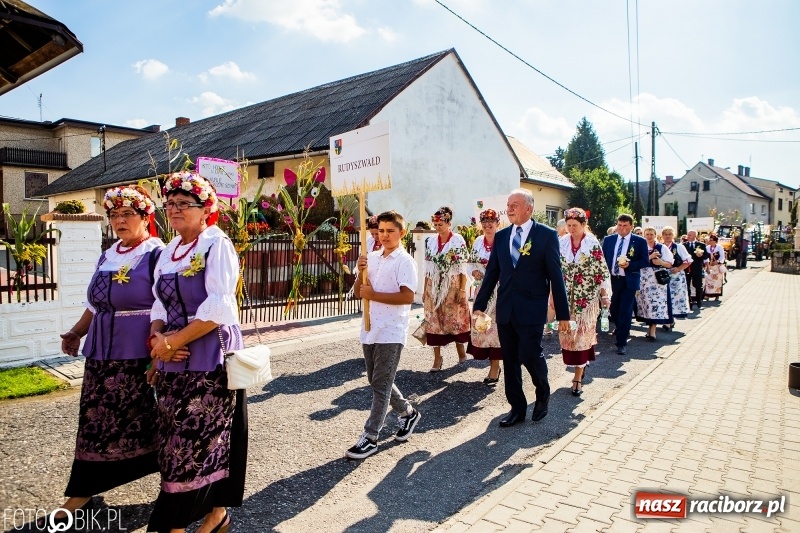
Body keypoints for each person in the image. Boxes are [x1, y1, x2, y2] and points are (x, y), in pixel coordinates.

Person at [40, 186, 164, 529]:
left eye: (128, 214)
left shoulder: (157, 255)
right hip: (100, 355)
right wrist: (77, 332)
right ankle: (85, 490)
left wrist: (158, 354)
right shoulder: (108, 254)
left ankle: (177, 481)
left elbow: (166, 306)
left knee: (146, 418)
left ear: (145, 217)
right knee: (95, 423)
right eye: (114, 215)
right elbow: (96, 304)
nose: (120, 221)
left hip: (138, 354)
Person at [147, 172, 245, 533]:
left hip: (208, 354)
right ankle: (216, 516)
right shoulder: (169, 250)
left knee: (198, 439)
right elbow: (158, 303)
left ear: (206, 210)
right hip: (174, 354)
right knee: (174, 440)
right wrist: (158, 342)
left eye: (183, 204)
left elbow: (219, 307)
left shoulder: (215, 244)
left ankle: (182, 521)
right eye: (170, 204)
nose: (173, 209)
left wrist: (172, 342)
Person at [473, 189, 570, 427]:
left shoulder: (546, 235)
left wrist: (563, 314)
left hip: (532, 308)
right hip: (506, 308)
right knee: (510, 360)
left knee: (529, 353)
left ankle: (542, 391)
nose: (510, 208)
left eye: (515, 204)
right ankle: (516, 408)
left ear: (529, 208)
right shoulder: (502, 235)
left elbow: (555, 276)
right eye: (508, 204)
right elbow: (493, 273)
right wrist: (480, 305)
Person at [346, 210, 420, 460]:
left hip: (391, 329)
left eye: (391, 231)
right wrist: (359, 271)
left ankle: (371, 436)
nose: (385, 235)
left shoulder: (404, 261)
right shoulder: (372, 258)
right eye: (381, 231)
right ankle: (408, 413)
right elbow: (359, 292)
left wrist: (372, 295)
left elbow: (407, 297)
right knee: (377, 380)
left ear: (402, 233)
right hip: (370, 327)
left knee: (380, 383)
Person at [556, 208, 610, 396]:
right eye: (569, 225)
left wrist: (604, 296)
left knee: (582, 336)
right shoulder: (562, 243)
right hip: (565, 297)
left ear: (584, 225)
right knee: (568, 335)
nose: (571, 229)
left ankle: (577, 377)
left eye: (575, 225)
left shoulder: (592, 243)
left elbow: (602, 272)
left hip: (587, 298)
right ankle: (579, 365)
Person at [423, 206, 470, 371]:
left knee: (453, 320)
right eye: (435, 225)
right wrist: (424, 290)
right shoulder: (430, 241)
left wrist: (462, 289)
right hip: (433, 285)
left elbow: (463, 267)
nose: (437, 228)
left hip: (452, 285)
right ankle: (437, 358)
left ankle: (461, 351)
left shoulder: (457, 240)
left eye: (440, 224)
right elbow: (428, 268)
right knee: (433, 321)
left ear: (449, 223)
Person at [602, 214, 649, 355]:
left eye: (625, 226)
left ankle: (621, 343)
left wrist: (630, 265)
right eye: (620, 225)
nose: (622, 228)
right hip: (612, 280)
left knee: (625, 311)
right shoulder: (609, 240)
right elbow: (603, 259)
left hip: (628, 281)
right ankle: (621, 327)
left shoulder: (639, 241)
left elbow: (645, 261)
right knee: (614, 309)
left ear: (631, 226)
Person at [466, 209, 503, 386]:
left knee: (495, 328)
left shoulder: (504, 240)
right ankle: (490, 362)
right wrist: (473, 271)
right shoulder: (478, 242)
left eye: (491, 222)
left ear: (498, 223)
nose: (488, 226)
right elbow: (470, 263)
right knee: (483, 326)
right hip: (482, 291)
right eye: (485, 223)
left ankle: (495, 367)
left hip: (500, 290)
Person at [634, 227, 674, 341]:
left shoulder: (662, 247)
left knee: (655, 305)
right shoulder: (641, 247)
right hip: (644, 280)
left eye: (651, 234)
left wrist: (660, 262)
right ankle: (649, 328)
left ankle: (652, 332)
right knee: (645, 304)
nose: (649, 236)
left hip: (657, 281)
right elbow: (636, 262)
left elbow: (670, 264)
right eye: (647, 234)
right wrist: (649, 257)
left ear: (655, 235)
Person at [661, 226, 691, 329]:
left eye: (670, 234)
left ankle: (671, 320)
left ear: (673, 235)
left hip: (676, 275)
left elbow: (688, 261)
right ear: (662, 236)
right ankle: (667, 320)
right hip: (662, 275)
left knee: (674, 298)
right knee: (663, 297)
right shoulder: (660, 247)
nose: (667, 236)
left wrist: (678, 268)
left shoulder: (679, 247)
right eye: (665, 234)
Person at [683, 230, 709, 310]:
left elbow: (706, 256)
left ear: (695, 236)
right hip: (686, 268)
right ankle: (689, 301)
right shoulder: (684, 245)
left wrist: (700, 255)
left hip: (697, 268)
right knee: (687, 285)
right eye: (688, 234)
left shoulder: (701, 245)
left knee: (697, 285)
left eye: (690, 235)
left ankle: (699, 300)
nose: (688, 236)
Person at [704, 233, 726, 300]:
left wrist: (718, 261)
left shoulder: (719, 247)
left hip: (717, 267)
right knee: (708, 279)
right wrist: (706, 263)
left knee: (717, 280)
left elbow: (722, 256)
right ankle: (707, 294)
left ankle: (716, 295)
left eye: (711, 240)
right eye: (709, 240)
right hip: (709, 266)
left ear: (715, 241)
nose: (710, 241)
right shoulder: (707, 248)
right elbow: (705, 256)